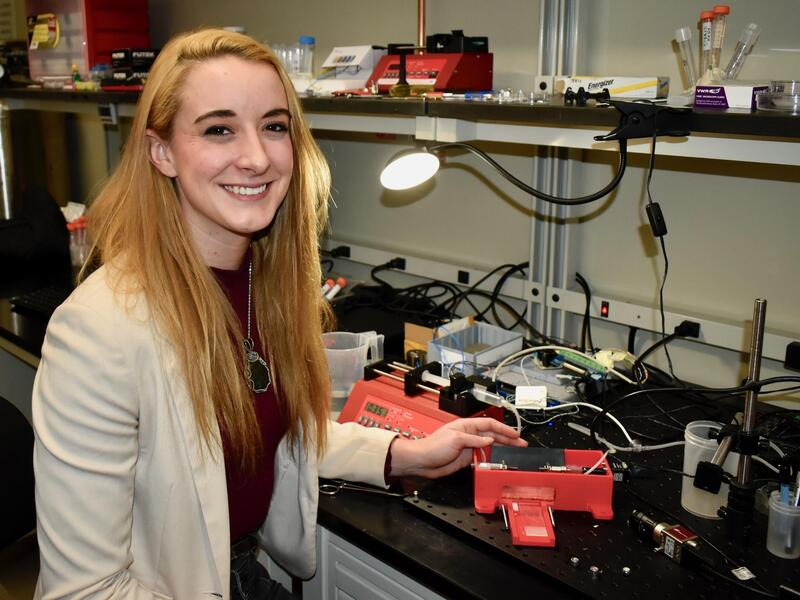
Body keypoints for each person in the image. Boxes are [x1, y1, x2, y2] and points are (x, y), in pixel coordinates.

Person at [31, 28, 526, 600]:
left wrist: (401, 454)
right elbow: (83, 591)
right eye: (219, 129)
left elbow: (275, 435)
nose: (257, 157)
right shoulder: (97, 332)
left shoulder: (265, 287)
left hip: (241, 573)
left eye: (273, 126)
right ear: (161, 152)